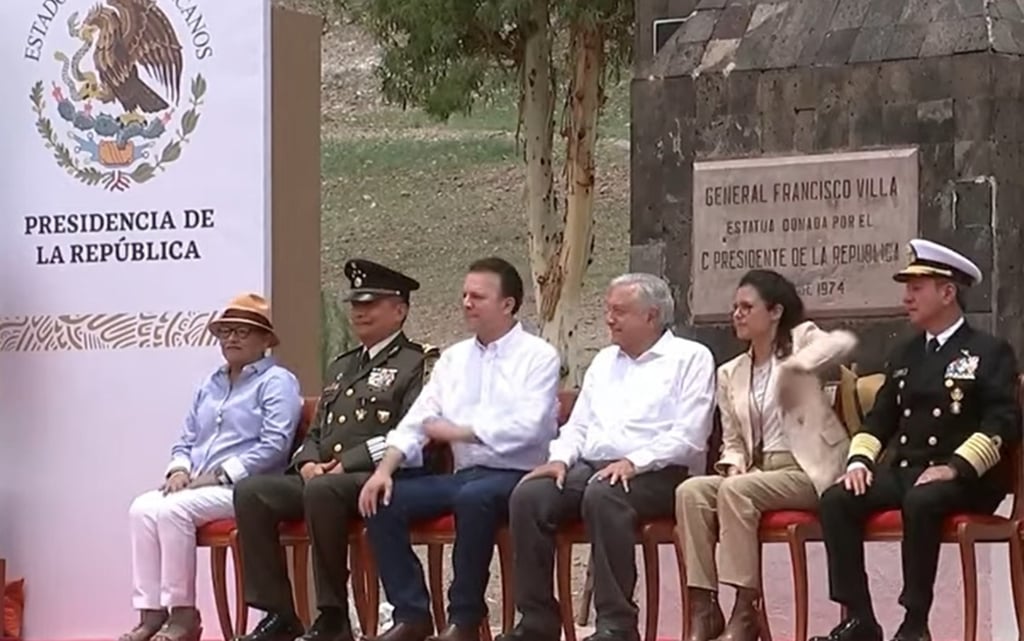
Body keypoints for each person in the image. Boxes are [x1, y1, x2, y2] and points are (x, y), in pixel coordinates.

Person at [810, 239, 1021, 641]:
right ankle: (860, 619)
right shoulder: (906, 353)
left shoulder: (988, 351)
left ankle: (915, 623)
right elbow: (880, 420)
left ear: (947, 292)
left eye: (917, 287)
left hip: (966, 477)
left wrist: (954, 467)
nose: (907, 297)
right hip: (908, 470)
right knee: (837, 499)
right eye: (906, 287)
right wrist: (859, 463)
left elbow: (1004, 421)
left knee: (922, 500)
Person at [498, 272, 717, 641]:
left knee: (605, 494)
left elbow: (690, 436)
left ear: (651, 316)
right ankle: (537, 621)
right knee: (530, 495)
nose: (609, 319)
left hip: (661, 473)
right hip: (593, 468)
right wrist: (560, 458)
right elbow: (579, 426)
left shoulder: (689, 359)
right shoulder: (603, 361)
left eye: (619, 311)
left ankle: (616, 624)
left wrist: (636, 462)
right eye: (607, 310)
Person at [358, 257, 561, 641]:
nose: (467, 303)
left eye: (478, 296)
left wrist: (460, 432)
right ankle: (411, 613)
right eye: (465, 295)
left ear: (508, 304)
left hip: (519, 475)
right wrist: (384, 470)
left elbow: (530, 427)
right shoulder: (453, 359)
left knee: (475, 499)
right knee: (383, 499)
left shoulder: (538, 356)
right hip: (466, 475)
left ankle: (464, 619)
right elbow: (418, 419)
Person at [234, 259, 438, 641]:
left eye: (371, 303)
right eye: (356, 304)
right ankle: (279, 613)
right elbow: (317, 430)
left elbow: (411, 432)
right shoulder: (342, 366)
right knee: (252, 493)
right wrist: (308, 460)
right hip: (325, 475)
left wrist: (347, 464)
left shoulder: (417, 362)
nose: (359, 311)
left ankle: (332, 616)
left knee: (323, 490)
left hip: (380, 474)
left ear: (400, 310)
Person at [676, 270, 856, 641]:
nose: (737, 315)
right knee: (692, 492)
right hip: (758, 472)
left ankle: (746, 610)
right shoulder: (730, 373)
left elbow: (839, 347)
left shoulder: (802, 341)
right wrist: (733, 465)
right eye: (734, 308)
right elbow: (733, 442)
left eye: (747, 307)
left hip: (808, 469)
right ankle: (704, 607)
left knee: (738, 492)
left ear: (774, 312)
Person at [120, 294, 303, 641]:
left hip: (245, 488)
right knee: (142, 508)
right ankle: (152, 613)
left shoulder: (277, 381)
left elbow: (275, 445)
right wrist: (178, 469)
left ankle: (184, 615)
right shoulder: (211, 383)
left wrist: (217, 475)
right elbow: (186, 438)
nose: (232, 339)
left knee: (173, 510)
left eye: (243, 332)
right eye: (225, 332)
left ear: (265, 340)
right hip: (198, 485)